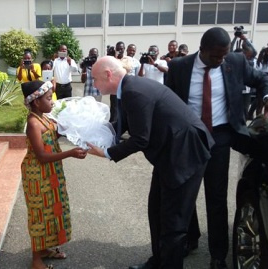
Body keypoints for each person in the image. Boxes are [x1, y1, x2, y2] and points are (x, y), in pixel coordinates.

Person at [166, 27, 268, 269]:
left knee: (216, 197)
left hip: (220, 136)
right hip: (190, 138)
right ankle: (190, 238)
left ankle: (218, 255)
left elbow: (261, 79)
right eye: (216, 56)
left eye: (224, 55)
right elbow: (169, 102)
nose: (221, 60)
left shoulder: (236, 61)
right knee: (186, 192)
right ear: (203, 49)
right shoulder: (179, 67)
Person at [88, 56, 214, 269]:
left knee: (172, 220)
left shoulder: (133, 91)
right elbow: (125, 124)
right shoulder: (127, 88)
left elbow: (140, 139)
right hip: (171, 151)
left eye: (95, 78)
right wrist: (94, 132)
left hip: (184, 152)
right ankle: (161, 258)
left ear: (108, 75)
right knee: (157, 209)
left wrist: (107, 152)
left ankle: (168, 262)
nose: (93, 83)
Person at [21, 80, 87, 269]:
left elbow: (53, 134)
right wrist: (70, 153)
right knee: (39, 214)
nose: (52, 102)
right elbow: (41, 156)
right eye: (49, 98)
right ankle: (36, 260)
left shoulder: (45, 118)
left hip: (51, 172)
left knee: (51, 211)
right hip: (38, 174)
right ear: (36, 102)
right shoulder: (34, 123)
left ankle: (44, 249)